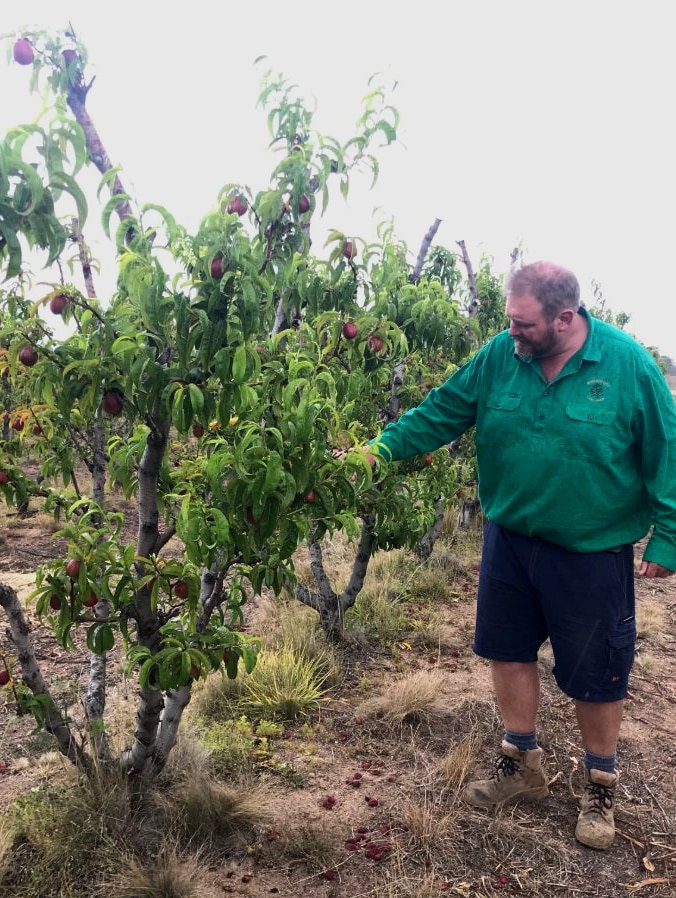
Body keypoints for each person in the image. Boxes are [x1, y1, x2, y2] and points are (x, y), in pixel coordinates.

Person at [369, 260, 676, 849]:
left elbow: (667, 450)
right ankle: (521, 761)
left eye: (524, 325)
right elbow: (441, 411)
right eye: (509, 322)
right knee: (507, 652)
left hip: (590, 549)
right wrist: (377, 451)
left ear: (565, 318)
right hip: (510, 539)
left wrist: (668, 534)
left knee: (596, 675)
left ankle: (601, 784)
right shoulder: (500, 355)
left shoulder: (626, 364)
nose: (513, 334)